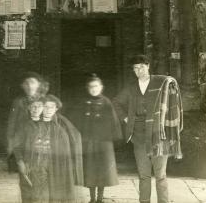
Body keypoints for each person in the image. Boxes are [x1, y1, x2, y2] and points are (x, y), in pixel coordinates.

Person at [113, 54, 183, 203]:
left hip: (159, 135)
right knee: (143, 175)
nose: (139, 71)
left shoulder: (160, 82)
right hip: (138, 137)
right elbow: (116, 102)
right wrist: (126, 118)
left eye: (142, 67)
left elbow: (171, 82)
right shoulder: (131, 88)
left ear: (148, 66)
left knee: (160, 175)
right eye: (136, 68)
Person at [13, 94, 84, 203]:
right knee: (38, 196)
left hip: (55, 167)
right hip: (36, 166)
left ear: (56, 109)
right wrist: (21, 161)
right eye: (45, 107)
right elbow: (19, 144)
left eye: (52, 107)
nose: (48, 110)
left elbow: (69, 145)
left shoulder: (60, 126)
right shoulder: (31, 124)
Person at [72, 74, 122, 203]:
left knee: (103, 170)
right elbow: (78, 122)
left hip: (103, 143)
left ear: (101, 87)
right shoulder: (83, 102)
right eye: (91, 87)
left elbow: (114, 122)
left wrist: (113, 139)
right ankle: (92, 198)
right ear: (87, 88)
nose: (93, 89)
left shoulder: (106, 102)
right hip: (88, 142)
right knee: (90, 170)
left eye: (96, 86)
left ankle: (100, 198)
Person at [7, 72, 49, 160]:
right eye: (26, 83)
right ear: (22, 86)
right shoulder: (18, 102)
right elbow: (12, 123)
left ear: (39, 84)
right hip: (22, 138)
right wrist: (10, 142)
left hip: (40, 139)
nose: (29, 86)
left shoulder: (45, 101)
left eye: (32, 82)